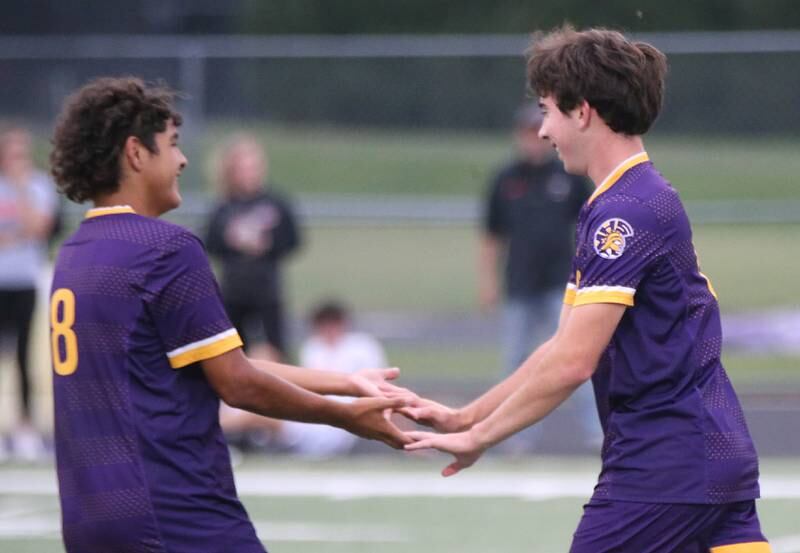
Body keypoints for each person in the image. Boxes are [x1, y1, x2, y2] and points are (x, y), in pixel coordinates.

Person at [404, 26, 770, 553]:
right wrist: (469, 416)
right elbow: (560, 347)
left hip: (664, 468)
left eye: (549, 110)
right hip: (713, 456)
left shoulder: (622, 214)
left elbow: (574, 364)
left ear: (584, 112)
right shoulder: (621, 201)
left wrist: (480, 438)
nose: (545, 130)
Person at [48, 76, 410, 553]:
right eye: (173, 144)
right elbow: (236, 383)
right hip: (175, 512)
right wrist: (344, 418)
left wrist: (345, 383)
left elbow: (211, 363)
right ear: (136, 153)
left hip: (90, 518)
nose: (183, 159)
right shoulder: (165, 251)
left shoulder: (74, 253)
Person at [479, 103, 599, 451]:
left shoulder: (568, 176)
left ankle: (598, 432)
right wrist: (487, 282)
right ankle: (514, 436)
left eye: (538, 133)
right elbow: (491, 234)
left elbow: (590, 224)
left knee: (578, 359)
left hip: (562, 284)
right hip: (519, 282)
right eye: (527, 134)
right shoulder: (505, 179)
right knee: (515, 361)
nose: (533, 141)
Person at [222, 300, 389, 457]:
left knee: (255, 413)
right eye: (323, 325)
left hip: (334, 423)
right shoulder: (313, 347)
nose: (329, 330)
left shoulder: (361, 347)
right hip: (312, 414)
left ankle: (215, 432)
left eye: (333, 324)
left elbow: (384, 391)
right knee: (261, 357)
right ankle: (230, 434)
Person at [205, 135, 300, 362]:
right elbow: (211, 243)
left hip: (267, 290)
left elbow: (293, 240)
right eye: (243, 168)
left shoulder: (275, 202)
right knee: (234, 353)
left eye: (253, 167)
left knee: (275, 350)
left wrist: (267, 245)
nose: (250, 173)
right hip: (234, 291)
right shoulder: (224, 207)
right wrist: (234, 242)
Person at [0, 125, 57, 462]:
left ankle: (24, 427)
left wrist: (21, 189)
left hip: (23, 280)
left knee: (23, 356)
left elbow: (39, 227)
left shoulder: (37, 186)